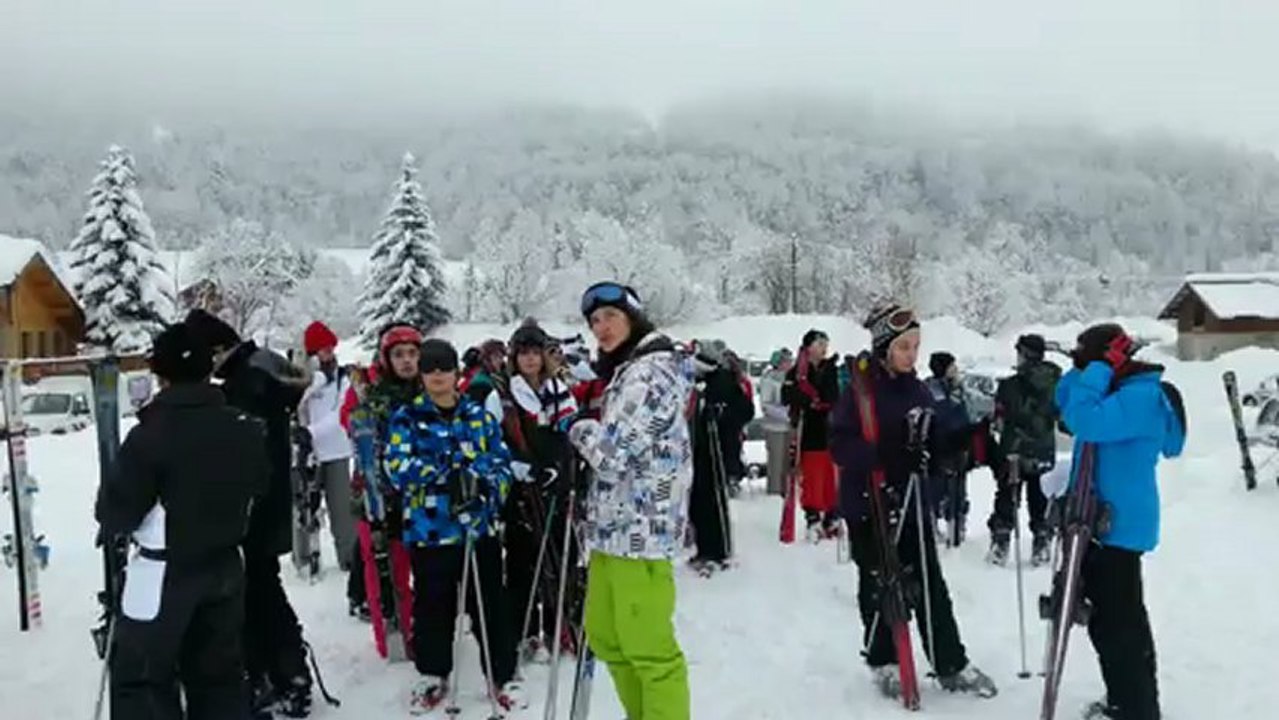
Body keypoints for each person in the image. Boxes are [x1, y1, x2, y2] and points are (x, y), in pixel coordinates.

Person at [96, 322, 270, 720]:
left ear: (161, 374)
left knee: (142, 679)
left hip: (164, 571)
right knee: (220, 677)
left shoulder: (150, 435)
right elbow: (260, 484)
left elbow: (117, 511)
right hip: (226, 566)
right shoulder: (243, 428)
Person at [830, 302, 996, 702]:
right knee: (879, 583)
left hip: (911, 502)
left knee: (929, 584)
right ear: (885, 347)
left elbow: (931, 440)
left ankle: (949, 662)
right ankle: (884, 659)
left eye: (916, 346)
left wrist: (963, 442)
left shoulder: (918, 388)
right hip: (869, 503)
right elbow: (840, 444)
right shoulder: (861, 391)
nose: (912, 355)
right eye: (904, 347)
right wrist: (886, 456)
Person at [567, 281, 692, 720]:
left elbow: (612, 454)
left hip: (642, 533)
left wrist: (574, 424)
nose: (601, 328)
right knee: (607, 638)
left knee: (649, 652)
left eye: (611, 317)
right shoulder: (628, 370)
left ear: (634, 318)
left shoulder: (653, 373)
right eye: (594, 321)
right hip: (611, 533)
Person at [183, 308, 317, 717]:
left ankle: (276, 676)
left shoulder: (245, 386)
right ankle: (286, 675)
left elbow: (236, 456)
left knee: (256, 595)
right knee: (263, 590)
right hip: (269, 503)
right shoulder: (264, 370)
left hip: (251, 509)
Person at [383, 338, 524, 715]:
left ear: (457, 373)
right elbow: (396, 467)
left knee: (490, 602)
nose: (437, 376)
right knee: (433, 605)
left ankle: (502, 672)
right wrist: (446, 474)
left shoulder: (478, 415)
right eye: (429, 369)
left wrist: (484, 488)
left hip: (478, 529)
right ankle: (432, 672)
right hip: (430, 530)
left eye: (444, 368)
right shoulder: (407, 417)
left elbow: (501, 463)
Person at [1055, 323, 1184, 720]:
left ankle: (1136, 708)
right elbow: (1064, 402)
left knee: (1120, 626)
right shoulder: (1119, 390)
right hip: (1099, 523)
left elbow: (1085, 421)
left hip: (1120, 527)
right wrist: (1091, 369)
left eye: (1090, 359)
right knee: (1112, 621)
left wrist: (1098, 370)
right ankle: (1127, 701)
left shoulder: (1141, 397)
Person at [497, 322, 578, 663]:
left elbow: (571, 432)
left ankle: (559, 626)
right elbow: (497, 441)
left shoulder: (559, 389)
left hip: (556, 484)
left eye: (535, 353)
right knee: (522, 562)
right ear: (514, 357)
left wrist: (564, 468)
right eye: (524, 353)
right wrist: (520, 466)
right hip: (521, 488)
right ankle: (526, 631)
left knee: (562, 556)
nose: (530, 360)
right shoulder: (504, 394)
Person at [297, 320, 360, 614]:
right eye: (319, 350)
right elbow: (295, 406)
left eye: (329, 348)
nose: (326, 353)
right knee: (303, 506)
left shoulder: (343, 378)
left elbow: (340, 414)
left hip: (334, 449)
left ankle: (348, 555)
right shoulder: (305, 377)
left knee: (341, 506)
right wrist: (310, 382)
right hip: (305, 455)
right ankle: (303, 557)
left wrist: (313, 432)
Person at [988, 333, 1062, 565]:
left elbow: (999, 420)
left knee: (1008, 496)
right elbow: (1062, 416)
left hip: (1013, 451)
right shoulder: (1056, 384)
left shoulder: (1009, 386)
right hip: (1043, 451)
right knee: (1039, 497)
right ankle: (1041, 542)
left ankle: (1001, 543)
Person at [688, 340, 754, 574]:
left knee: (713, 501)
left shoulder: (724, 380)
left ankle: (719, 551)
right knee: (697, 501)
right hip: (697, 447)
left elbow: (746, 410)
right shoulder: (695, 383)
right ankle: (703, 548)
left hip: (717, 448)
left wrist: (723, 415)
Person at [782, 329, 841, 541]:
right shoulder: (797, 372)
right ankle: (813, 516)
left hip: (830, 429)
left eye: (826, 343)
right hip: (808, 431)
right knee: (812, 477)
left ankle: (832, 516)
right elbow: (787, 395)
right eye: (819, 344)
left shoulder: (831, 369)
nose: (824, 348)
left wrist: (823, 402)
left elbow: (835, 396)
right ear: (808, 347)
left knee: (831, 476)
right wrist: (808, 402)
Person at [925, 351, 974, 546]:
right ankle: (934, 522)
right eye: (952, 366)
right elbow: (941, 413)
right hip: (939, 444)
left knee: (959, 486)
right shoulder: (932, 388)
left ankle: (958, 520)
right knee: (937, 486)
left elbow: (966, 412)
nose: (955, 369)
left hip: (959, 443)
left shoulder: (957, 387)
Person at [758, 348, 794, 496]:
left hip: (788, 426)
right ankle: (775, 489)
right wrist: (785, 414)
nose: (789, 364)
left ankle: (786, 488)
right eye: (786, 361)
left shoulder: (790, 378)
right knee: (776, 460)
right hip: (774, 426)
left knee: (787, 459)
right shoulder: (769, 379)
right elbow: (766, 405)